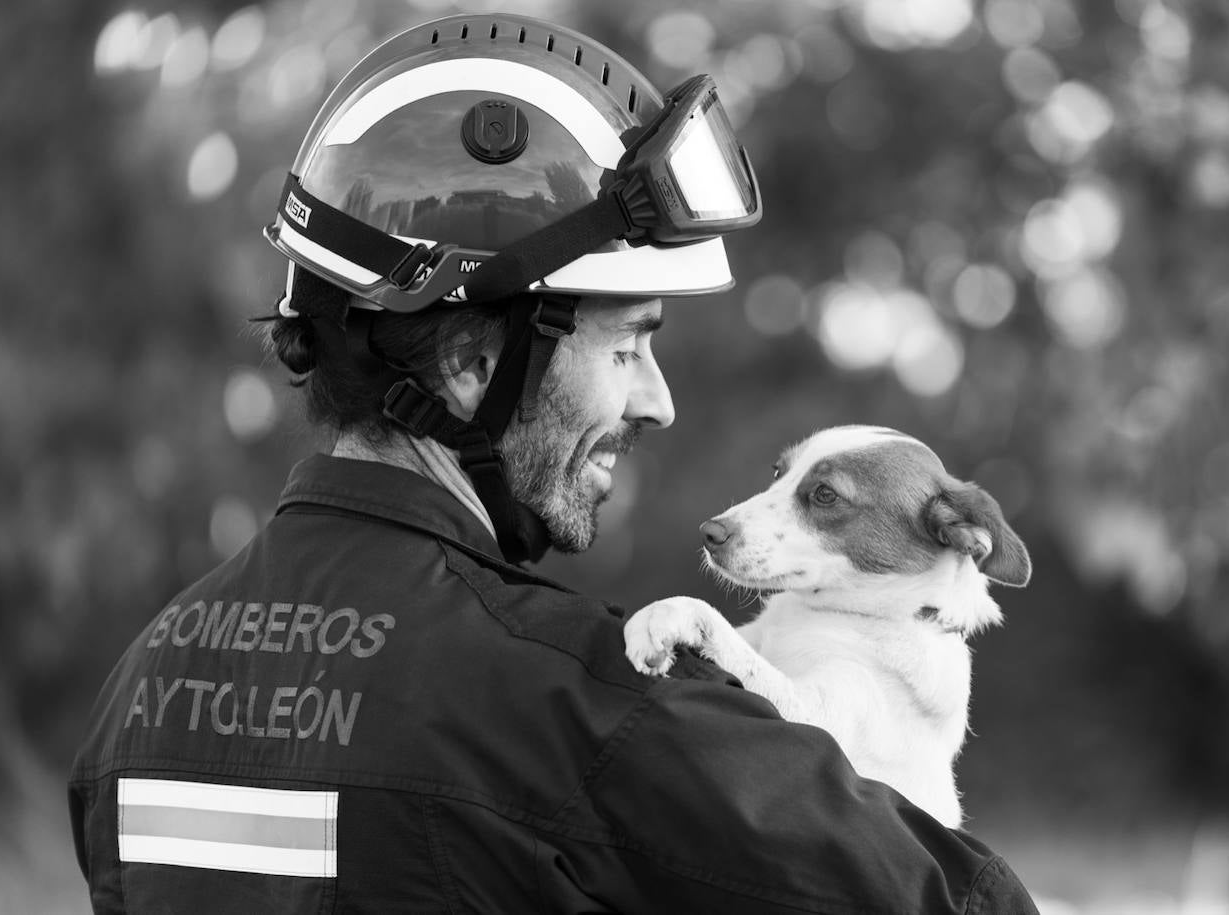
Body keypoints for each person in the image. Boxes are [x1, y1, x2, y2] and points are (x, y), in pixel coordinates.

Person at [70, 13, 1040, 913]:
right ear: (469, 364)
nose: (657, 401)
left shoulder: (137, 692)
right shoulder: (585, 715)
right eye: (626, 349)